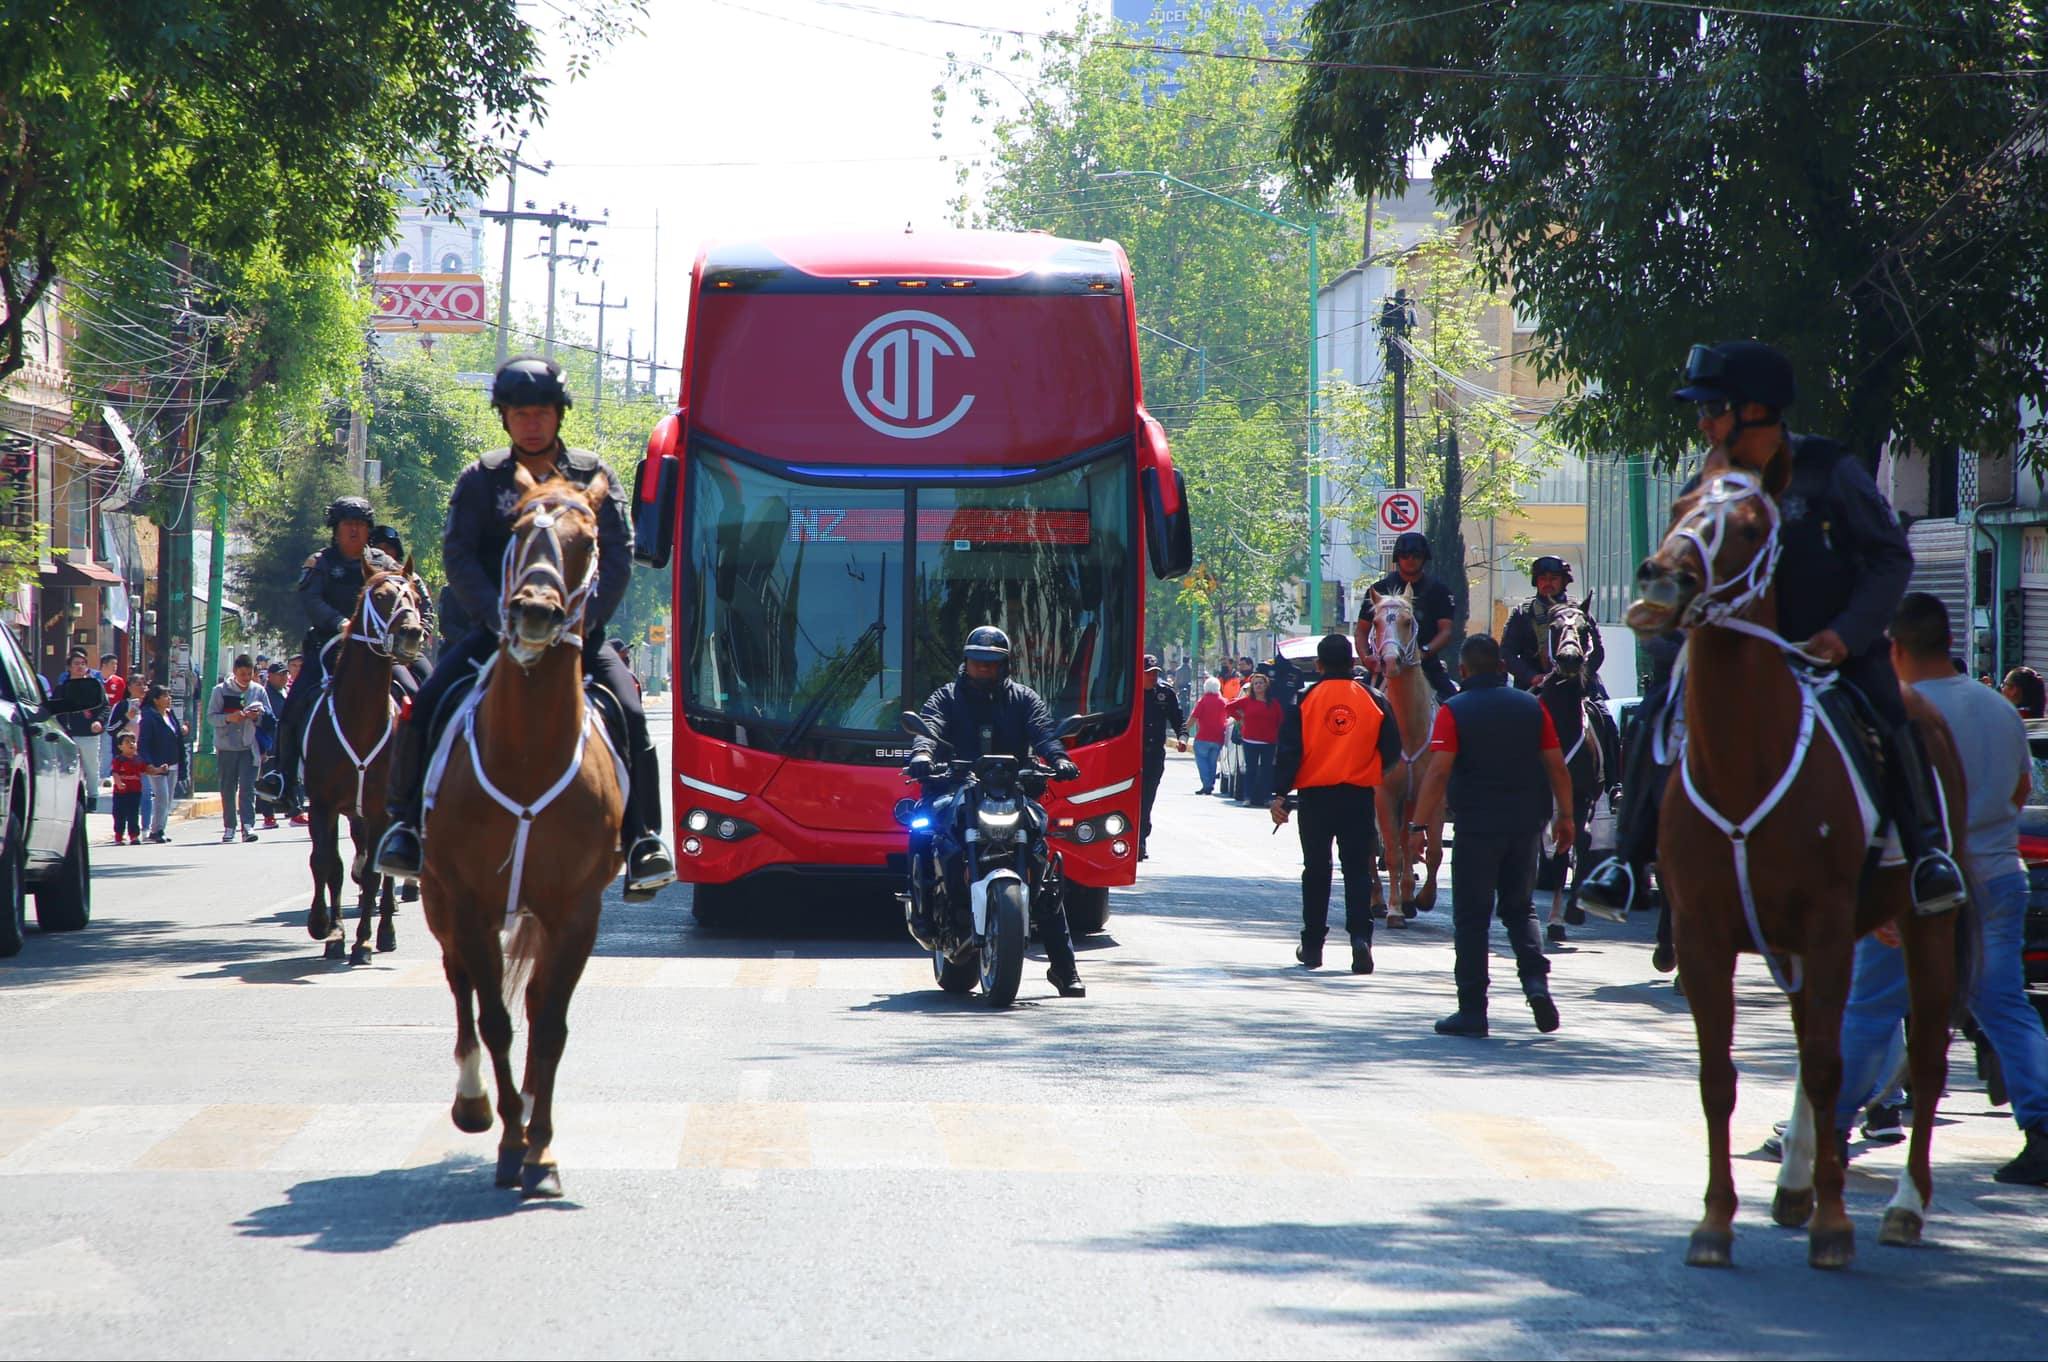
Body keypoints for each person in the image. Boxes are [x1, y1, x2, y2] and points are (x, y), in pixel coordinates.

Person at [1578, 340, 1967, 919]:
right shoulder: (1708, 482)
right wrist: (1657, 605)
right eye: (1701, 412)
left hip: (1828, 649)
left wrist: (1846, 633)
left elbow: (1890, 557)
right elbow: (1679, 559)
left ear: (1755, 409)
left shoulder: (1831, 472)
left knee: (1893, 712)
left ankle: (1927, 854)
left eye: (1713, 409)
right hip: (1728, 647)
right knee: (1658, 713)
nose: (1703, 423)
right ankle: (1627, 861)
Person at [373, 354, 676, 900]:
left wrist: (587, 622)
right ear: (505, 418)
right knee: (426, 703)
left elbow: (620, 556)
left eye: (541, 413)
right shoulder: (481, 479)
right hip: (496, 630)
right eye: (519, 413)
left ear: (558, 415)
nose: (531, 423)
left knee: (631, 712)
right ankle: (405, 828)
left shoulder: (593, 475)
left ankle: (642, 841)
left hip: (580, 632)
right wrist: (496, 617)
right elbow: (459, 554)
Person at [1828, 594, 2048, 1185]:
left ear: (1895, 649)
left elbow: (1879, 808)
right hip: (2000, 876)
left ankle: (1830, 1130)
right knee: (2004, 1007)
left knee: (1869, 1007)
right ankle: (2044, 1130)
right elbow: (2021, 791)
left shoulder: (1901, 713)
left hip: (1916, 884)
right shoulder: (2001, 709)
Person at [906, 626, 1086, 997]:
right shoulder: (946, 697)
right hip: (956, 785)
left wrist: (1059, 758)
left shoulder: (1023, 698)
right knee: (923, 828)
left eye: (991, 663)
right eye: (977, 661)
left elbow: (1044, 733)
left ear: (1005, 665)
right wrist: (923, 754)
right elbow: (930, 728)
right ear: (966, 662)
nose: (983, 668)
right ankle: (924, 913)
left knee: (1043, 859)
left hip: (1011, 790)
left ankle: (1063, 968)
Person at [1409, 634, 1574, 1037]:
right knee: (1521, 911)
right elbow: (1556, 766)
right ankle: (1536, 984)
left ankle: (1473, 1011)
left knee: (1471, 918)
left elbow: (1438, 771)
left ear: (1462, 671)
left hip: (1476, 828)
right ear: (1502, 667)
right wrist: (1566, 816)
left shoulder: (1454, 710)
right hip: (1525, 827)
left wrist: (1417, 825)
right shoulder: (1532, 707)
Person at [1270, 633, 1407, 974]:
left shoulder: (1305, 700)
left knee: (1316, 871)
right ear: (1353, 663)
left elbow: (1289, 752)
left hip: (1315, 800)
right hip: (1359, 798)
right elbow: (1392, 751)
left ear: (1318, 665)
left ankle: (1313, 946)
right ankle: (1361, 939)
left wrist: (1280, 795)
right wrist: (1368, 768)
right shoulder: (1374, 699)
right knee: (1358, 871)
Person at [255, 496, 390, 807]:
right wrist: (341, 622)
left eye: (360, 525)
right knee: (294, 705)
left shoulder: (384, 564)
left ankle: (424, 777)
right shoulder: (321, 563)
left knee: (417, 688)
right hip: (330, 647)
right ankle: (282, 778)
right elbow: (311, 600)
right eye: (348, 525)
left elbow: (406, 592)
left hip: (379, 650)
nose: (355, 531)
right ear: (336, 529)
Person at [1357, 531, 1459, 703]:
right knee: (1358, 707)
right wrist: (1367, 658)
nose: (1410, 559)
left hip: (1425, 663)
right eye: (1405, 555)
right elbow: (1361, 632)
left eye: (1416, 555)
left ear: (1424, 557)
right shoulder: (1378, 589)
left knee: (1454, 705)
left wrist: (1424, 652)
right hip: (1383, 665)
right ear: (1398, 558)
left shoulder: (1439, 591)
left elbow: (1446, 631)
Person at [207, 654, 266, 843]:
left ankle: (248, 826)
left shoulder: (258, 691)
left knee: (248, 787)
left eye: (249, 674)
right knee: (228, 788)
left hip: (250, 746)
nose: (246, 678)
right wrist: (229, 718)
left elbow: (269, 717)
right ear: (234, 672)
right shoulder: (220, 691)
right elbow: (210, 717)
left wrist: (256, 716)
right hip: (227, 747)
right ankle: (229, 827)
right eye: (242, 674)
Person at [1138, 653, 1188, 859]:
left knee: (1147, 799)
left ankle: (1141, 840)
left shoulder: (1165, 694)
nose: (1152, 677)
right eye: (1148, 673)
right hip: (1129, 755)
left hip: (1153, 756)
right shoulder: (1128, 693)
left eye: (1155, 673)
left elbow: (1178, 719)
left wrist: (1183, 737)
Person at [50, 649, 107, 812]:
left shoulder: (94, 686)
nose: (80, 667)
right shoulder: (62, 688)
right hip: (67, 735)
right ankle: (70, 800)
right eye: (76, 664)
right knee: (67, 768)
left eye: (83, 664)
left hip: (89, 734)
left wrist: (98, 721)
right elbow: (53, 708)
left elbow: (105, 707)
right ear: (68, 667)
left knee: (91, 767)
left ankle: (93, 798)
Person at [1225, 671, 1284, 808]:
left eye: (1261, 683)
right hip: (1250, 740)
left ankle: (1267, 798)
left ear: (1266, 685)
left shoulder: (1273, 703)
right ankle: (1248, 797)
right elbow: (1229, 707)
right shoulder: (1246, 700)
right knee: (1250, 770)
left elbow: (1280, 721)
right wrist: (1240, 718)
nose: (1258, 685)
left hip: (1269, 741)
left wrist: (1278, 737)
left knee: (1267, 770)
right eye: (1255, 683)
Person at [136, 683, 185, 844]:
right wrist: (149, 763)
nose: (168, 699)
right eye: (165, 696)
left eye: (169, 695)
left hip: (172, 762)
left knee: (168, 798)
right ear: (156, 700)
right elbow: (143, 742)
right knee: (161, 797)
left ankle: (161, 828)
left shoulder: (169, 714)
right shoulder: (149, 716)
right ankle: (155, 830)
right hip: (157, 764)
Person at [1189, 676, 1228, 795]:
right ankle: (1210, 783)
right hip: (1218, 737)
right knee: (1212, 762)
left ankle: (1206, 784)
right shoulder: (1224, 702)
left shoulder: (1203, 701)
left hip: (1203, 737)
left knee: (1202, 762)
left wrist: (1183, 730)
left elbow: (1194, 718)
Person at [109, 730, 145, 845]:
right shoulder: (118, 760)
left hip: (135, 791)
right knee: (119, 814)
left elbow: (147, 770)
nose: (131, 744)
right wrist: (119, 783)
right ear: (120, 746)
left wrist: (159, 770)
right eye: (127, 742)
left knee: (133, 814)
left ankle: (134, 836)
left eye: (133, 741)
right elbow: (115, 773)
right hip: (121, 792)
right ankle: (119, 836)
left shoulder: (138, 759)